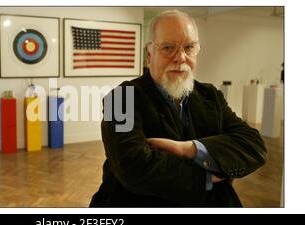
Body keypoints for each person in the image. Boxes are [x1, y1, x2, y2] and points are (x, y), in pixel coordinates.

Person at [90, 10, 267, 207]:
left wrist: (189, 150)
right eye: (168, 48)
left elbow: (254, 146)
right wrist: (209, 175)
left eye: (189, 47)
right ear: (149, 55)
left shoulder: (210, 95)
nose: (180, 58)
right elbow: (133, 168)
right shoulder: (121, 98)